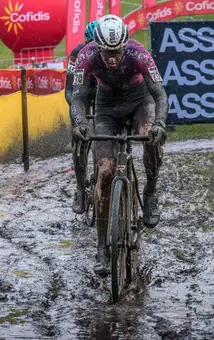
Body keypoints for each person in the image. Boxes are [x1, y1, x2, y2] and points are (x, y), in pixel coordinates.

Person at [71, 15, 168, 274]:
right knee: (104, 172)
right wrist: (81, 122)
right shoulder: (86, 56)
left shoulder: (138, 53)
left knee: (150, 137)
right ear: (97, 47)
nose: (112, 58)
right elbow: (78, 97)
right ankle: (101, 249)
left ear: (125, 45)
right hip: (106, 108)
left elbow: (159, 93)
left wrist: (159, 123)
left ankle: (149, 193)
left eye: (116, 52)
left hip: (140, 101)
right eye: (106, 52)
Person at [66, 20, 99, 214]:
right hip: (82, 93)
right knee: (80, 140)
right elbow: (70, 91)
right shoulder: (77, 54)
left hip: (106, 92)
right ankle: (80, 188)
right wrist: (79, 115)